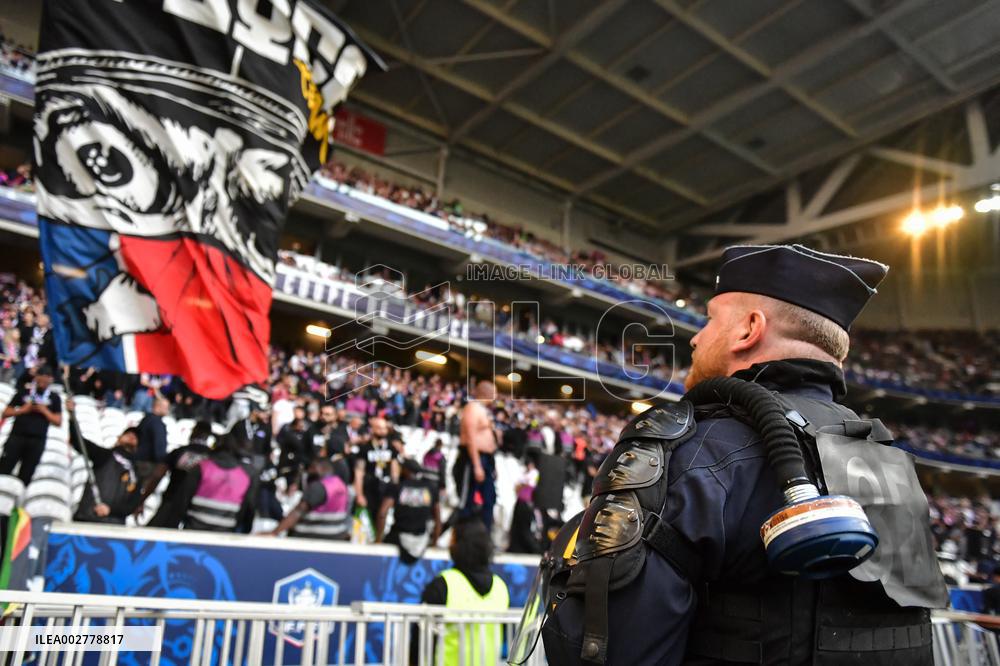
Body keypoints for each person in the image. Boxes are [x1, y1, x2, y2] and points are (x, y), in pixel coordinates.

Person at [540, 245, 949, 665]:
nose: (696, 337)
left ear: (749, 328)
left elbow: (613, 651)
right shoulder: (892, 462)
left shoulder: (695, 450)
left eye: (711, 319)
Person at [422, 518, 510, 665]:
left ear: (459, 546)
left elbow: (421, 640)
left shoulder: (443, 584)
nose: (450, 544)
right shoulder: (501, 587)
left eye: (452, 539)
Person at [176, 428, 257, 533]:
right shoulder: (247, 474)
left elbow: (182, 500)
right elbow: (249, 507)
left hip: (194, 530)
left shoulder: (201, 467)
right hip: (225, 532)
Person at [140, 421, 214, 527]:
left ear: (194, 432)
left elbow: (157, 476)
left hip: (171, 502)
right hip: (197, 507)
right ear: (208, 436)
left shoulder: (179, 451)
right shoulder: (212, 457)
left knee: (155, 536)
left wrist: (142, 500)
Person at [0, 365, 62, 485]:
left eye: (46, 379)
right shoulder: (24, 392)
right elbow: (5, 413)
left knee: (26, 476)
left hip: (37, 440)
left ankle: (18, 503)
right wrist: (23, 410)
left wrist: (44, 410)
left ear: (51, 379)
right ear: (35, 377)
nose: (42, 383)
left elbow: (58, 421)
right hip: (17, 437)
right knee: (4, 469)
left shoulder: (54, 398)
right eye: (40, 379)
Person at [72, 426, 142, 524]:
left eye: (136, 437)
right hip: (88, 519)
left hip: (114, 528)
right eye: (128, 433)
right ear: (118, 438)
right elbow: (78, 441)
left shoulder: (137, 473)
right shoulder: (104, 455)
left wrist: (110, 510)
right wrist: (71, 419)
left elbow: (132, 505)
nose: (132, 436)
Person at [376, 458, 441, 564]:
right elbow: (438, 519)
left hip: (399, 538)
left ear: (406, 470)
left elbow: (382, 514)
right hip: (422, 541)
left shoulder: (397, 487)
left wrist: (378, 540)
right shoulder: (431, 488)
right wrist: (434, 544)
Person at [453, 380, 498, 530]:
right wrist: (477, 464)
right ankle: (460, 535)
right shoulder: (472, 408)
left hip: (486, 459)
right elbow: (471, 436)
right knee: (467, 500)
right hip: (472, 458)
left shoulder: (484, 411)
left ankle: (485, 535)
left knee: (489, 499)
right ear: (488, 393)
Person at [270, 458, 351, 540]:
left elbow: (298, 512)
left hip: (309, 539)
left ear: (320, 468)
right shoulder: (340, 484)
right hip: (335, 536)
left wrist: (274, 533)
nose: (308, 471)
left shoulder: (318, 487)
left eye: (311, 468)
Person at [353, 416, 402, 519]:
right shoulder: (365, 447)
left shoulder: (391, 447)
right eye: (379, 428)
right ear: (372, 429)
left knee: (382, 517)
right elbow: (359, 472)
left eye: (384, 428)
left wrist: (395, 491)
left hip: (385, 487)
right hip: (369, 487)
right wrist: (359, 494)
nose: (383, 431)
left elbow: (395, 470)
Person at [135, 396, 170, 479]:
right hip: (147, 464)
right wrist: (161, 462)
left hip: (138, 460)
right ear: (157, 407)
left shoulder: (146, 419)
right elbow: (159, 446)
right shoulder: (157, 424)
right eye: (166, 407)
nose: (168, 410)